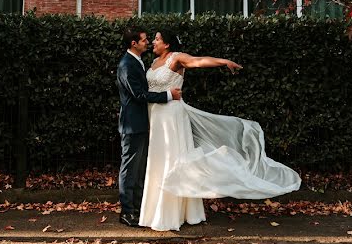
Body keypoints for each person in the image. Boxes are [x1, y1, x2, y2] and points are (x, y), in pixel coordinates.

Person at [138, 29, 301, 232]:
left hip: (171, 117)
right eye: (153, 39)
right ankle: (155, 211)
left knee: (173, 159)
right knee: (158, 160)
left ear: (168, 44)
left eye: (157, 39)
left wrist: (223, 61)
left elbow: (199, 61)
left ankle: (173, 214)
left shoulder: (177, 58)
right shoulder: (153, 64)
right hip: (155, 116)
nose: (153, 42)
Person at [116, 27, 182, 228]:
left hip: (142, 123)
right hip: (132, 125)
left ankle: (138, 209)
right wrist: (168, 95)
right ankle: (127, 213)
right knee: (129, 170)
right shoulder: (127, 65)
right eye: (145, 40)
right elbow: (139, 95)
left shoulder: (138, 62)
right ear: (134, 43)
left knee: (139, 170)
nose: (149, 42)